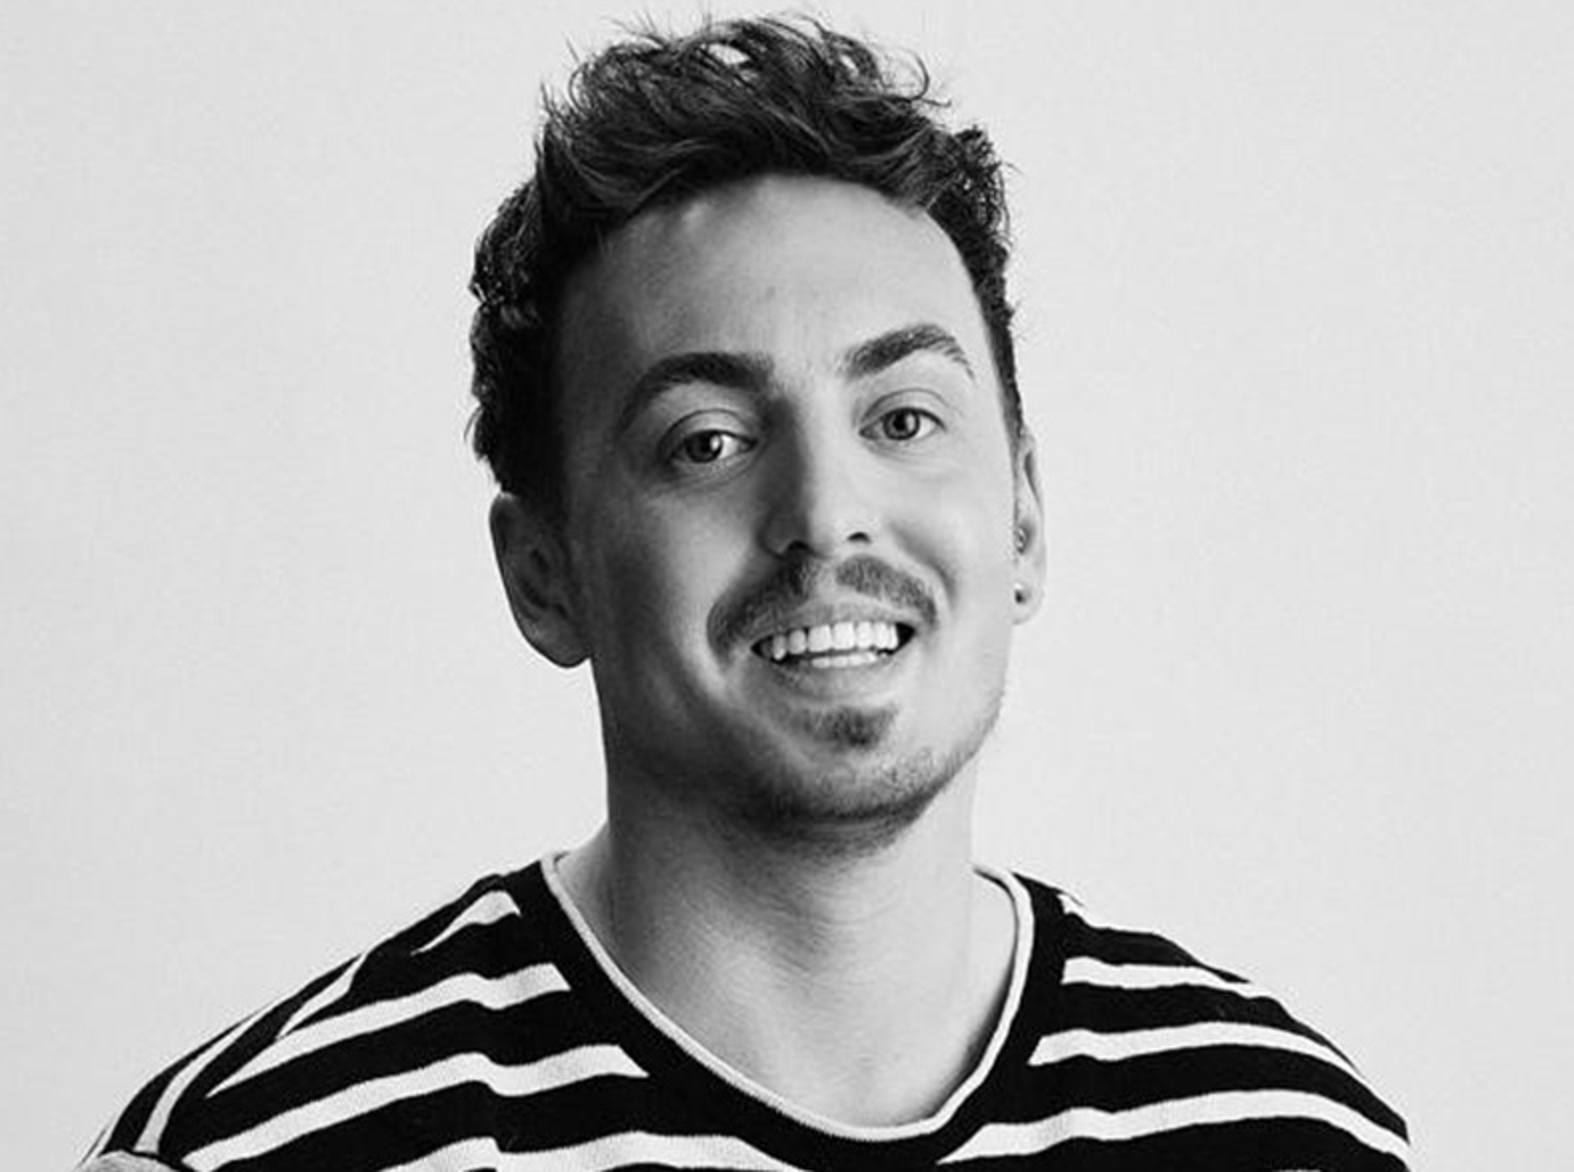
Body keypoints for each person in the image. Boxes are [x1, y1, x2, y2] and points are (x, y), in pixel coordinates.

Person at [81, 16, 1411, 1171]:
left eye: (900, 416)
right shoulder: (258, 1152)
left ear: (1020, 514)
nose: (826, 513)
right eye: (705, 441)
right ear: (543, 575)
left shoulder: (1279, 1133)